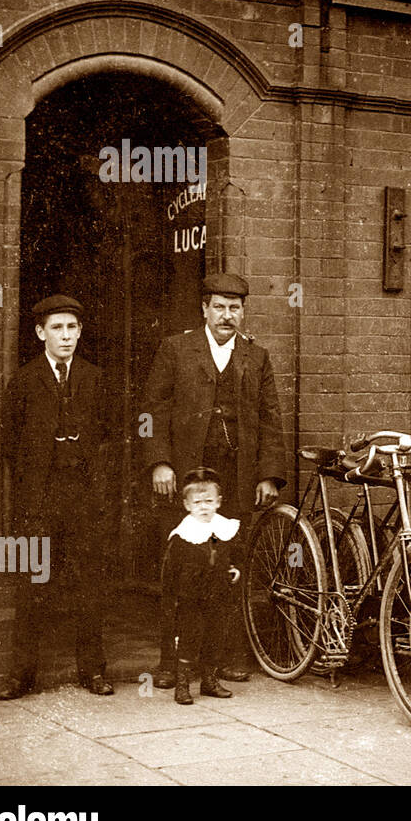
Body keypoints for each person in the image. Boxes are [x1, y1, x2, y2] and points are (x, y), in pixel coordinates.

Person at [141, 273, 286, 688]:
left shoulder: (256, 357)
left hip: (236, 481)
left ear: (243, 312)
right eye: (219, 307)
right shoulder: (176, 348)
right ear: (204, 308)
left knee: (230, 571)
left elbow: (270, 420)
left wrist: (268, 475)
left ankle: (223, 660)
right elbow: (152, 410)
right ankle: (171, 663)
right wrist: (160, 463)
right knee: (179, 576)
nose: (227, 315)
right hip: (185, 479)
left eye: (235, 308)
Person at [0, 295, 114, 699]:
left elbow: (106, 434)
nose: (66, 336)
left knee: (89, 584)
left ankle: (93, 670)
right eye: (57, 328)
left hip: (81, 496)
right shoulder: (25, 380)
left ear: (80, 332)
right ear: (40, 333)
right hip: (40, 498)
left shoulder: (94, 378)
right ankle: (22, 675)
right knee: (34, 584)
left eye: (72, 328)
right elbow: (10, 445)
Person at [162, 468, 240, 705]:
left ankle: (209, 681)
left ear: (218, 502)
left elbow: (228, 554)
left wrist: (233, 568)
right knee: (189, 638)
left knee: (214, 636)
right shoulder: (184, 534)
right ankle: (183, 685)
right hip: (191, 597)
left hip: (217, 593)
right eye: (197, 502)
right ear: (187, 505)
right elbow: (170, 570)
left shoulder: (223, 528)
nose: (204, 507)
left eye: (209, 501)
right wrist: (173, 597)